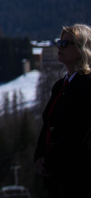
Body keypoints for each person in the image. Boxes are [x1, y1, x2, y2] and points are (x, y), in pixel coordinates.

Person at [34, 24, 91, 198]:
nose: (60, 47)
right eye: (60, 43)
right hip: (56, 177)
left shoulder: (87, 85)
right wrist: (39, 157)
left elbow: (78, 132)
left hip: (79, 177)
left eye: (66, 44)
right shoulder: (60, 86)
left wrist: (51, 161)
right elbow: (48, 125)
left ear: (83, 49)